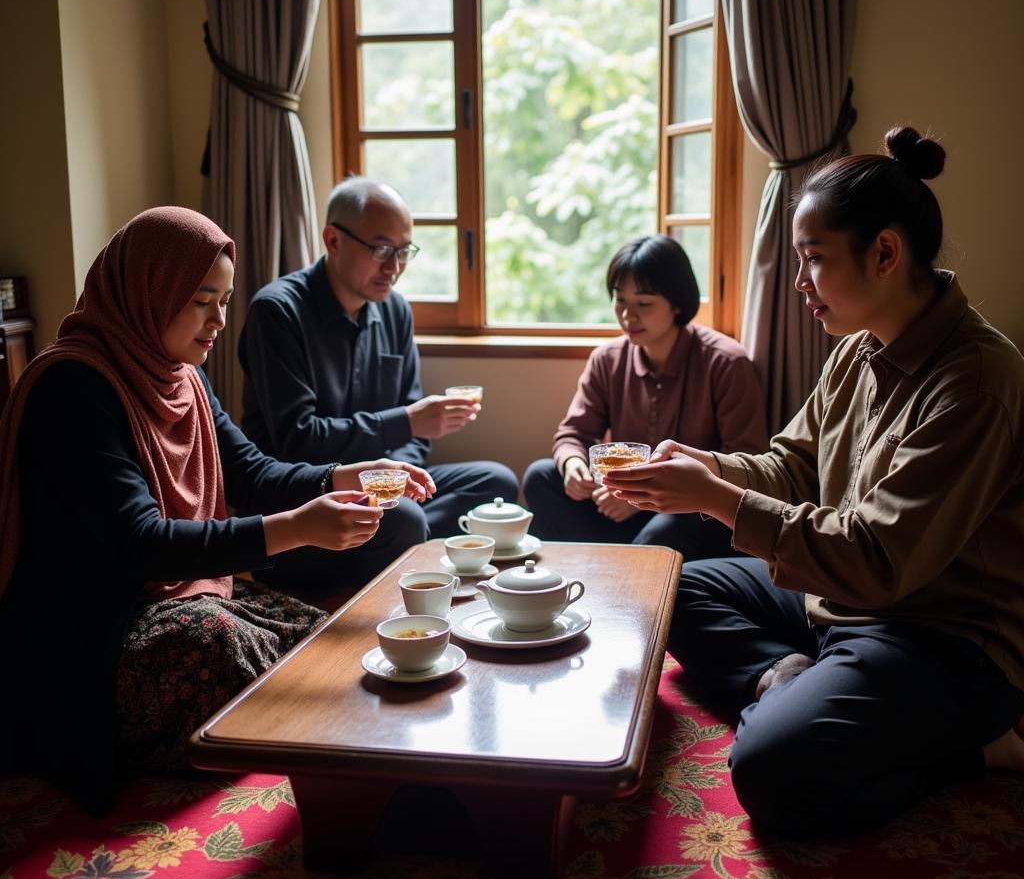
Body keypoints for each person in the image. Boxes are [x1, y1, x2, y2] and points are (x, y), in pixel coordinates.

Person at [602, 127, 1024, 838]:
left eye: (814, 261)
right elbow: (793, 466)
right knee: (672, 582)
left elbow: (880, 560)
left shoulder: (976, 381)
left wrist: (714, 497)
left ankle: (983, 749)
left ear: (884, 254)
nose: (799, 283)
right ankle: (782, 677)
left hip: (940, 634)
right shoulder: (857, 349)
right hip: (840, 600)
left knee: (772, 770)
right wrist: (709, 470)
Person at [0, 207, 432, 814]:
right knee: (219, 647)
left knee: (322, 641)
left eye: (225, 300)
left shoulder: (183, 379)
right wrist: (297, 529)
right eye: (203, 300)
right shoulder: (72, 387)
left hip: (178, 593)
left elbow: (251, 472)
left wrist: (346, 474)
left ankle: (321, 748)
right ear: (150, 290)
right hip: (96, 627)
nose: (220, 321)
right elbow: (140, 542)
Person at [238, 176, 518, 591]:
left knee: (497, 482)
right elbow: (298, 440)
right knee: (405, 518)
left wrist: (400, 479)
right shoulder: (278, 312)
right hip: (307, 497)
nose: (395, 267)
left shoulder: (394, 311)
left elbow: (415, 433)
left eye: (404, 251)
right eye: (382, 249)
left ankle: (405, 552)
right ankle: (404, 559)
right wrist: (404, 424)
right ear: (333, 240)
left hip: (383, 489)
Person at [523, 234, 767, 559]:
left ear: (677, 303)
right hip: (616, 505)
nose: (627, 316)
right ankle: (615, 561)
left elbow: (743, 460)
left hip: (688, 512)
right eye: (620, 301)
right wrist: (573, 465)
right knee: (541, 476)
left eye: (644, 304)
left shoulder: (725, 362)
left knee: (664, 531)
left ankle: (625, 566)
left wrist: (641, 498)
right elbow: (573, 433)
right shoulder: (607, 359)